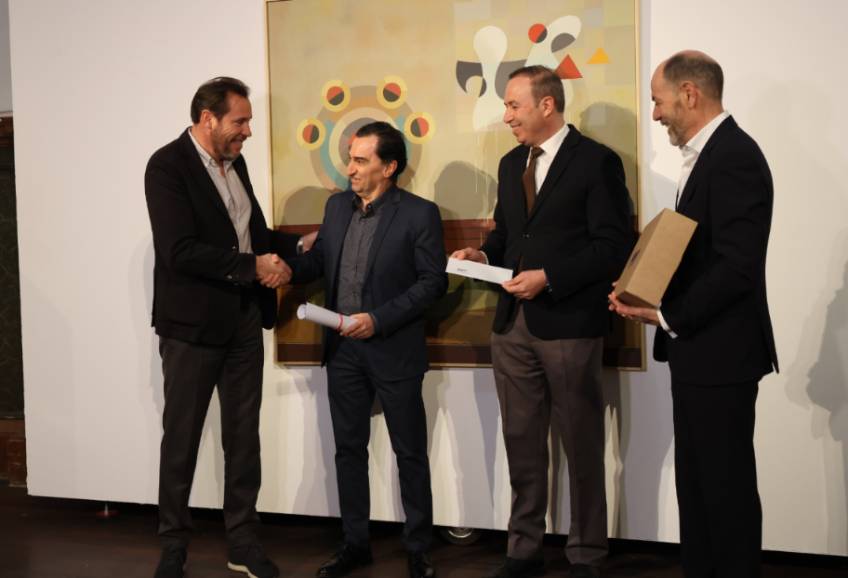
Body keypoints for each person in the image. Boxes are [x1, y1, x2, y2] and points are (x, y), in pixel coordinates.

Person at [452, 65, 633, 578]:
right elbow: (508, 236)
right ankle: (523, 549)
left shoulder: (597, 162)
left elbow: (613, 246)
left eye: (514, 105)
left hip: (570, 323)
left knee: (581, 442)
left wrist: (549, 278)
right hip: (512, 325)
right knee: (522, 442)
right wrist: (482, 256)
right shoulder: (512, 163)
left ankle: (586, 553)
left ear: (547, 105)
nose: (506, 116)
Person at [608, 51, 778, 578]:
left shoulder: (734, 157)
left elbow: (736, 266)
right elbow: (696, 258)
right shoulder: (711, 156)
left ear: (689, 94)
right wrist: (642, 289)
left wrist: (666, 314)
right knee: (700, 487)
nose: (655, 114)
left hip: (722, 353)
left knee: (723, 491)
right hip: (700, 351)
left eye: (658, 101)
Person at [145, 76, 312, 578]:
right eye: (240, 121)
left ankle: (242, 542)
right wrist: (253, 267)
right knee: (182, 439)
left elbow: (249, 234)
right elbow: (179, 251)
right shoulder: (167, 166)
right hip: (191, 328)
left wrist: (295, 245)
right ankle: (173, 547)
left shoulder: (235, 164)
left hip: (243, 321)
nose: (248, 132)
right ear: (208, 118)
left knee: (243, 440)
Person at [284, 121, 447, 578]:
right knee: (348, 450)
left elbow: (432, 282)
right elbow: (320, 261)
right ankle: (354, 544)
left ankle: (418, 547)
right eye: (349, 159)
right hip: (343, 352)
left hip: (394, 348)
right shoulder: (336, 207)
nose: (349, 169)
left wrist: (378, 319)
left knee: (409, 452)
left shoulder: (419, 213)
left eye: (360, 160)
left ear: (389, 167)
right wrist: (284, 269)